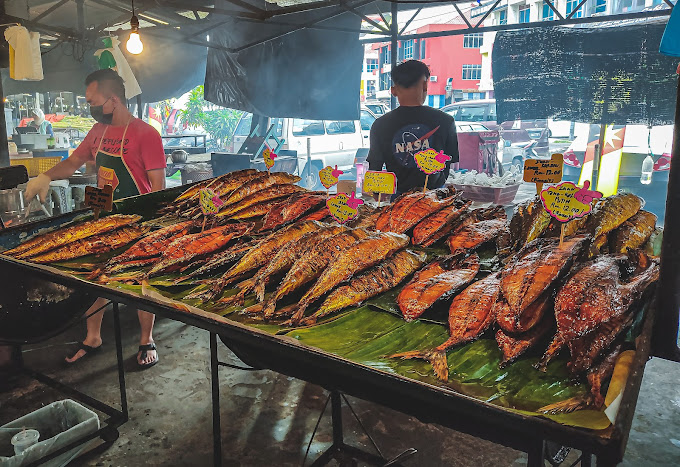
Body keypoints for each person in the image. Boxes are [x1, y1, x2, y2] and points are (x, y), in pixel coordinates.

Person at [25, 69, 167, 368]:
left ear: (113, 100)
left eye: (93, 101)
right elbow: (75, 162)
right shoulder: (97, 132)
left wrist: (155, 223)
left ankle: (146, 339)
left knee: (142, 283)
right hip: (102, 215)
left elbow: (158, 187)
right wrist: (45, 177)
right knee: (95, 277)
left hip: (137, 220)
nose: (89, 106)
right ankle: (93, 337)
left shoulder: (146, 134)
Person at [367, 60, 459, 196]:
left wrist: (377, 195)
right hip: (436, 198)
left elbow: (375, 168)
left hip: (398, 201)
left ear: (393, 91)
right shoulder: (445, 121)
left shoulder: (380, 125)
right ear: (424, 85)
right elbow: (451, 164)